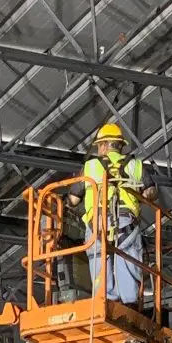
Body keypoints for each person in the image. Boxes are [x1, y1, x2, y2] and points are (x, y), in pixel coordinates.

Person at [67, 123, 157, 305]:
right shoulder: (135, 165)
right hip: (126, 224)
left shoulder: (90, 166)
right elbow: (151, 192)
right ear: (120, 145)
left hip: (98, 224)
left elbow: (73, 200)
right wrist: (139, 195)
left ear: (105, 144)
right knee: (129, 260)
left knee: (99, 261)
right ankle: (129, 304)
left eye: (100, 145)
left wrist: (64, 203)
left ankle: (105, 301)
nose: (99, 149)